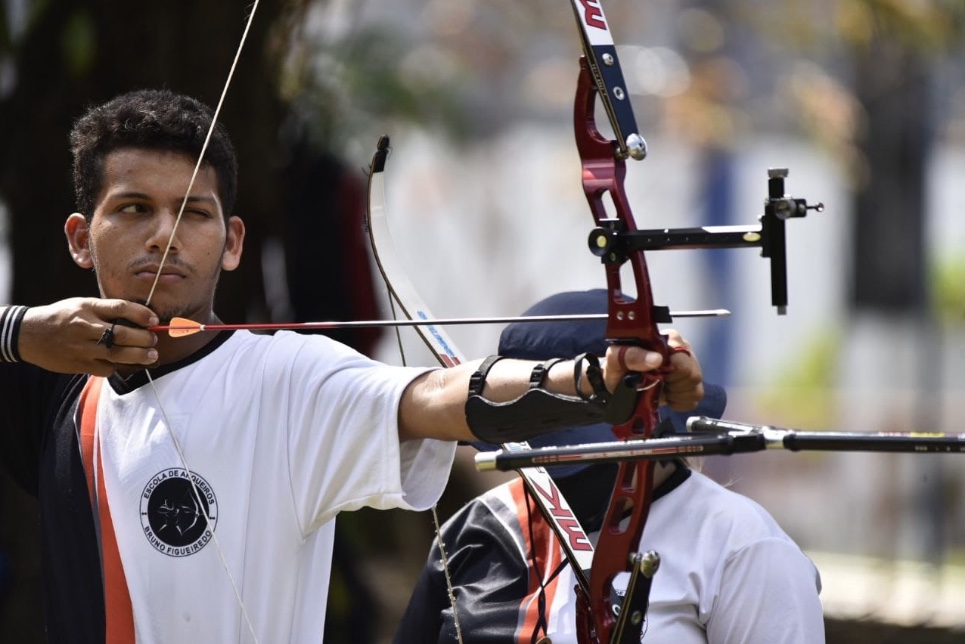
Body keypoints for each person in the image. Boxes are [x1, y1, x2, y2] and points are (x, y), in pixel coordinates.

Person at [0, 90, 704, 644]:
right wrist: (16, 331)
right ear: (79, 240)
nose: (164, 234)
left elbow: (438, 395)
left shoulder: (287, 379)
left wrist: (596, 383)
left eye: (193, 213)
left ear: (233, 241)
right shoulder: (53, 389)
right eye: (132, 208)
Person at [393, 290, 825, 644]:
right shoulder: (480, 528)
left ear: (651, 426)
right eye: (541, 441)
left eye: (577, 449)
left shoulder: (738, 542)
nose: (556, 469)